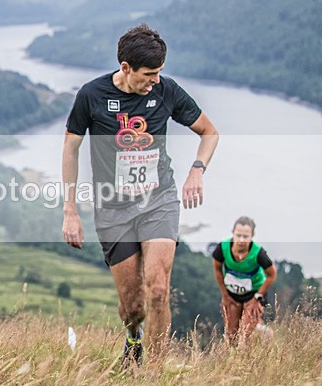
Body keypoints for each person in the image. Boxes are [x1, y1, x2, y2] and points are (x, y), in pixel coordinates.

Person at [61, 24, 219, 368]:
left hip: (158, 200)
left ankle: (154, 376)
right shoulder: (92, 95)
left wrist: (196, 169)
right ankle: (133, 339)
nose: (155, 81)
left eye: (159, 73)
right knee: (132, 305)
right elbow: (70, 148)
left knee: (158, 289)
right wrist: (70, 210)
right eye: (149, 75)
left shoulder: (166, 91)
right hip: (113, 209)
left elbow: (209, 132)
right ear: (125, 67)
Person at [212, 216, 277, 345]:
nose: (241, 240)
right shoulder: (222, 248)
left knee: (247, 334)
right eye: (238, 235)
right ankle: (233, 361)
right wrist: (224, 294)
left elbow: (272, 275)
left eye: (246, 236)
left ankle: (263, 335)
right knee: (231, 334)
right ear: (233, 233)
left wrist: (257, 297)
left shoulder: (258, 253)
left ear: (252, 236)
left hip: (254, 293)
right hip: (232, 293)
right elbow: (217, 269)